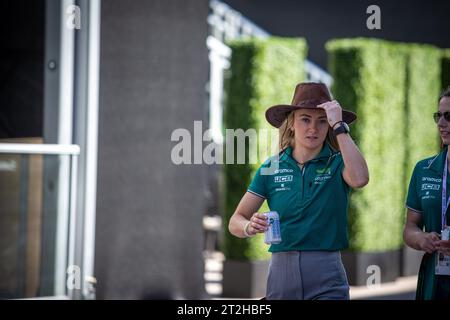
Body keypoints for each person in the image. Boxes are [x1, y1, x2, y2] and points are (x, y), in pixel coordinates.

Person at [228, 82, 369, 300]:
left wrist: (340, 126)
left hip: (327, 273)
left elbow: (360, 179)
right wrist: (248, 226)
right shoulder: (271, 167)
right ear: (291, 123)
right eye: (305, 119)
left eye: (322, 121)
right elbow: (235, 221)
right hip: (281, 273)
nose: (313, 128)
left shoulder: (339, 163)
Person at [404, 86, 450, 300]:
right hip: (434, 281)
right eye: (438, 116)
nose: (441, 124)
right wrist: (422, 238)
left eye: (448, 116)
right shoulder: (424, 169)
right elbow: (410, 228)